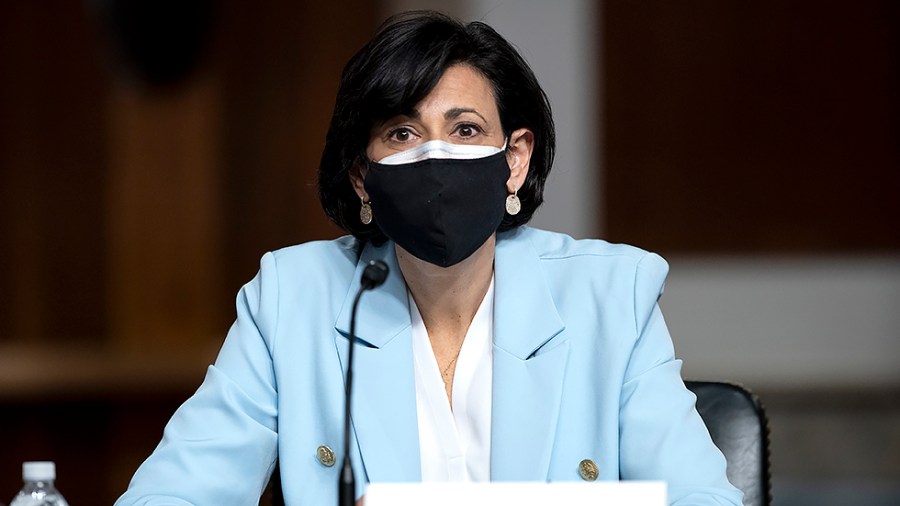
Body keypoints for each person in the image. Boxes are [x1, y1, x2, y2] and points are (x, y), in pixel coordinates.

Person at [116, 10, 743, 506]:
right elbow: (170, 494)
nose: (435, 156)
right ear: (363, 175)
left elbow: (702, 498)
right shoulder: (290, 300)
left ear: (515, 159)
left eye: (465, 130)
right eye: (402, 133)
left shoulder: (612, 297)